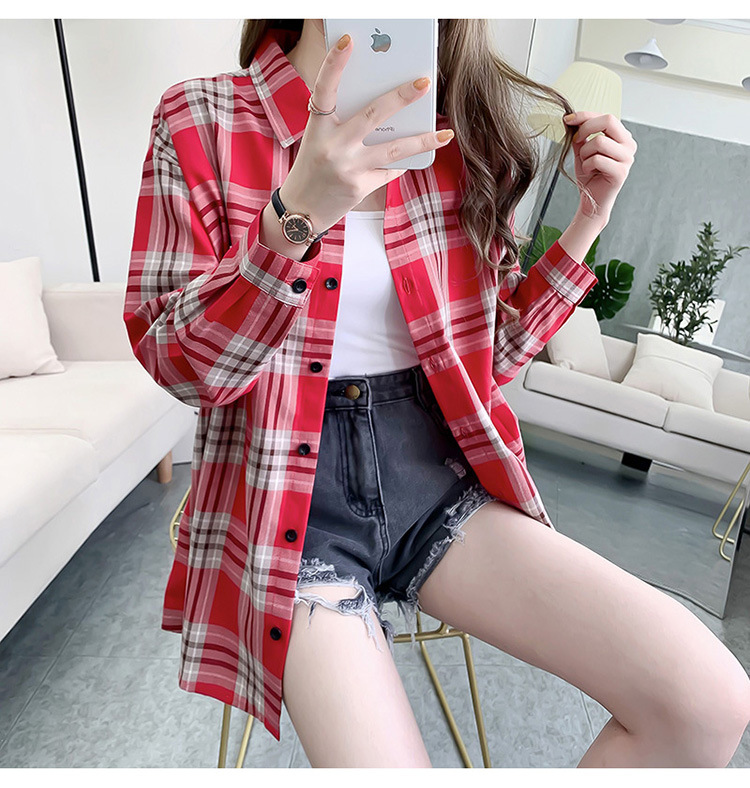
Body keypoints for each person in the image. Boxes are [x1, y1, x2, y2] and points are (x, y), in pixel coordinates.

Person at [124, 19, 750, 768]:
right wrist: (294, 219)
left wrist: (589, 220)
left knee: (705, 701)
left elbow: (491, 357)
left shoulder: (459, 141)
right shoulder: (203, 117)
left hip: (434, 478)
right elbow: (180, 367)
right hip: (286, 499)